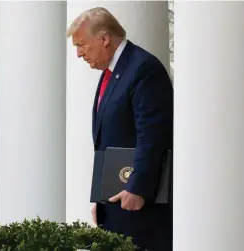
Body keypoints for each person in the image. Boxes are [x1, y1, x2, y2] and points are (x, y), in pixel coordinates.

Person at [66, 7, 173, 251]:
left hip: (139, 205)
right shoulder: (112, 73)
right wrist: (101, 199)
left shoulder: (143, 69)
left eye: (82, 45)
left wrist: (137, 188)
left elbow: (153, 135)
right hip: (117, 201)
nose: (79, 54)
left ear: (104, 39)